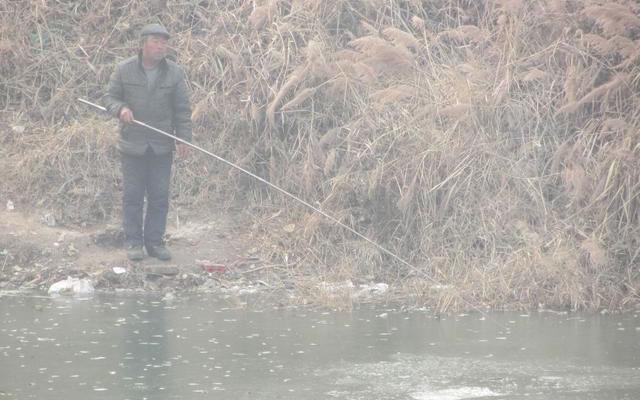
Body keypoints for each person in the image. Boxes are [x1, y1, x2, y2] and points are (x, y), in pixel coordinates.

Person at [104, 23, 192, 261]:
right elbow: (109, 98)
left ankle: (154, 242)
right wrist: (120, 108)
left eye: (164, 42)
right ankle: (133, 242)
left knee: (159, 196)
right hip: (132, 145)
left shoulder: (174, 73)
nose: (160, 46)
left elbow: (182, 109)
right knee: (132, 195)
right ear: (143, 44)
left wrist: (184, 138)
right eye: (155, 41)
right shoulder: (124, 70)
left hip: (162, 145)